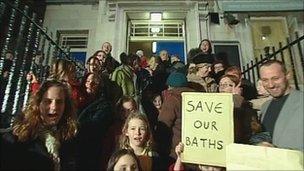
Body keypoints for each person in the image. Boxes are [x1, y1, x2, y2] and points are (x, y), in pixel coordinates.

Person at [1, 80, 78, 170]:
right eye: (48, 101)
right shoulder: (17, 138)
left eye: (59, 102)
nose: (54, 107)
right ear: (38, 104)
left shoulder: (68, 139)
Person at [259, 60, 303, 150]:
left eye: (275, 78)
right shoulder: (265, 107)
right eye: (265, 80)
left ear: (288, 75)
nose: (271, 85)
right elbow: (264, 136)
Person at [155, 72, 194, 168]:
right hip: (194, 147)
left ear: (170, 86)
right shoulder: (195, 97)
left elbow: (163, 126)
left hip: (175, 151)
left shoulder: (172, 100)